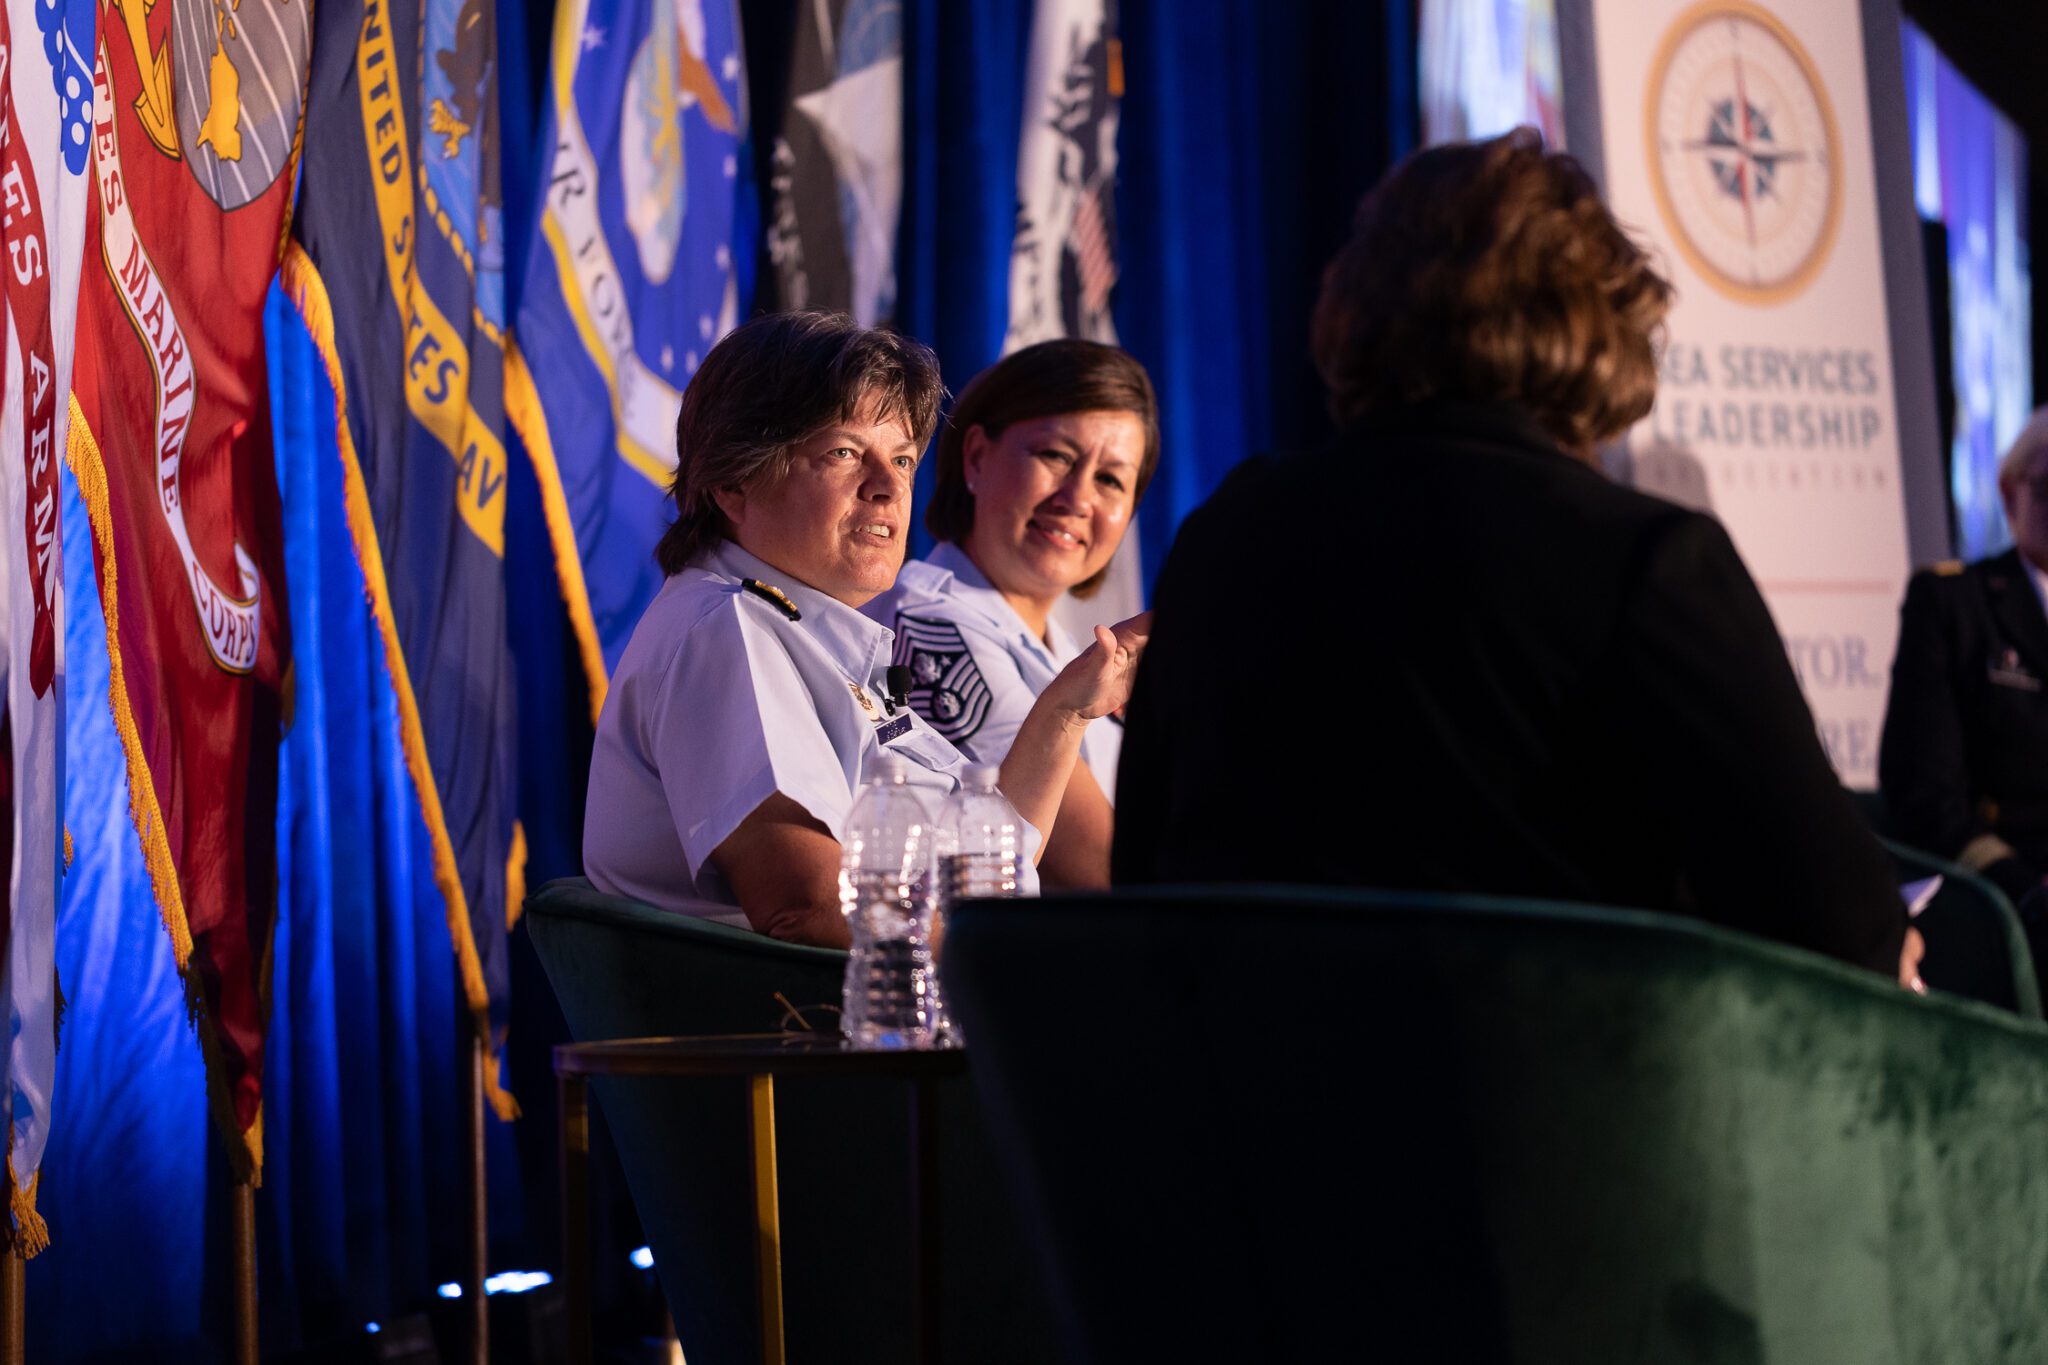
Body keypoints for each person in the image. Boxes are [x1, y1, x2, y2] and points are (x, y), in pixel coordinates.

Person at [1112, 128, 1915, 982]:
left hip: (1242, 1096)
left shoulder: (1227, 530)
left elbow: (1150, 880)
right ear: (1601, 326)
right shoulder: (1645, 558)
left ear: (1353, 305)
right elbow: (1842, 927)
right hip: (1557, 1102)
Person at [584, 311, 1145, 945]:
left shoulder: (807, 636)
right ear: (733, 482)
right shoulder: (726, 629)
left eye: (902, 459)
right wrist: (1015, 965)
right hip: (797, 1032)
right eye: (845, 453)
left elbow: (986, 864)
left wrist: (1066, 711)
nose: (887, 488)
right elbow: (809, 904)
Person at [863, 340, 1161, 888]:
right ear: (976, 456)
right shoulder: (931, 626)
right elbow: (1105, 875)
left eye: (1111, 480)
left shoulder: (1073, 651)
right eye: (1056, 456)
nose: (1078, 498)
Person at [1880, 410, 2048, 920]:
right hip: (2009, 899)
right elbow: (1926, 795)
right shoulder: (1954, 604)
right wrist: (2021, 888)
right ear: (2009, 493)